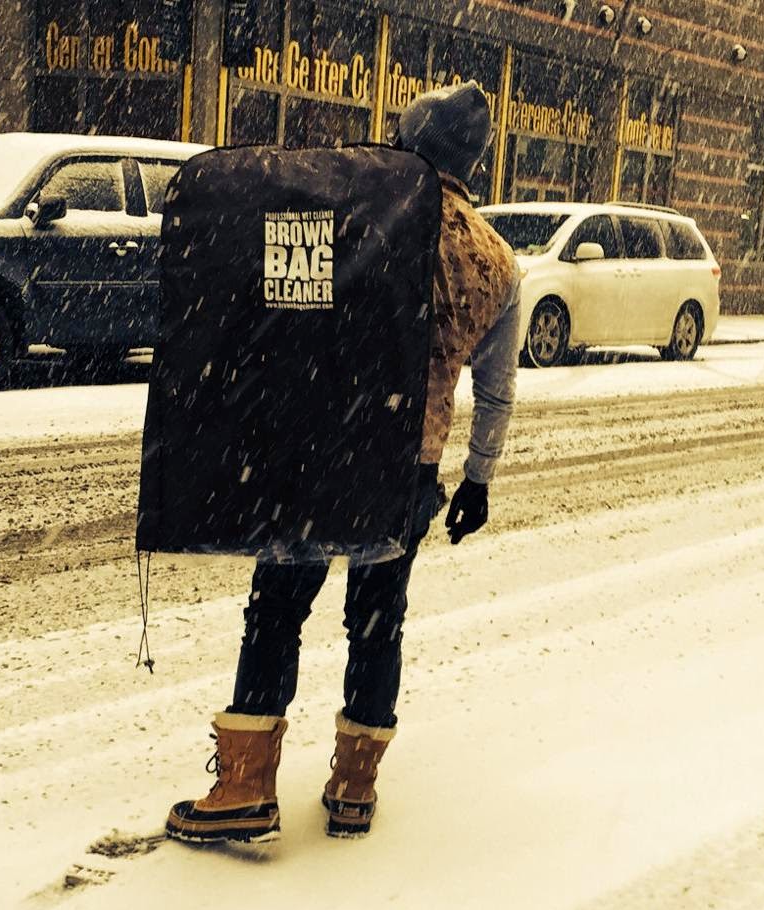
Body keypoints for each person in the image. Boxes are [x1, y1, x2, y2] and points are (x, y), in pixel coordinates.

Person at [166, 80, 521, 844]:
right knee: (377, 620)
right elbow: (497, 390)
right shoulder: (497, 260)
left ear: (409, 137)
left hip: (320, 450)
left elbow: (284, 313)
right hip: (409, 466)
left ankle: (245, 786)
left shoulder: (360, 209)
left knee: (277, 610)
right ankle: (354, 787)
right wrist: (477, 481)